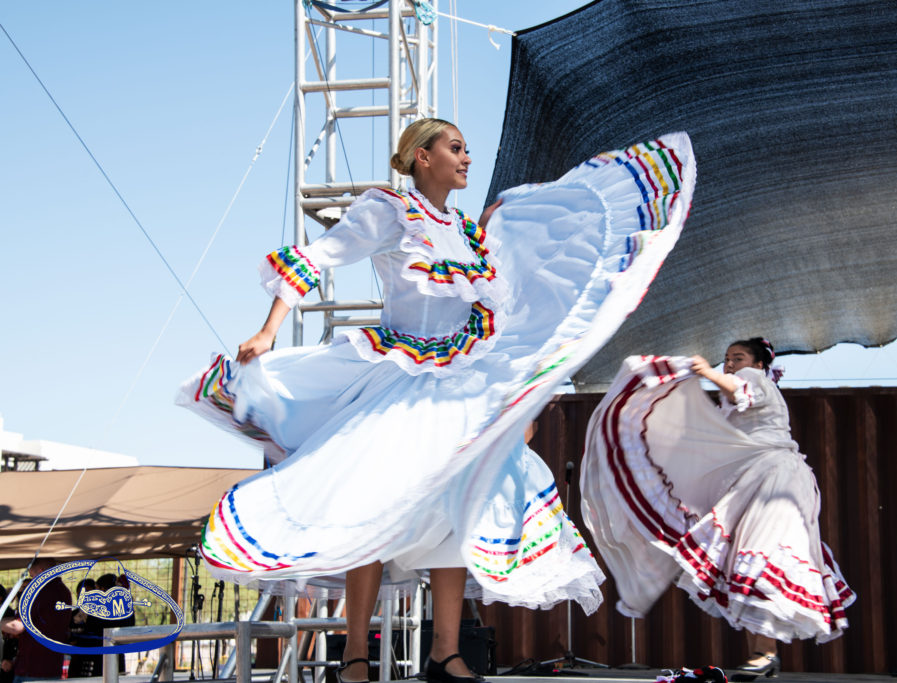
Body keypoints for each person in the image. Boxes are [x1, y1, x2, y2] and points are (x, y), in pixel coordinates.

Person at [179, 119, 696, 682]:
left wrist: (513, 400)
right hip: (399, 378)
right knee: (367, 501)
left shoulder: (472, 236)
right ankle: (354, 656)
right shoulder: (389, 211)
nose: (466, 158)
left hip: (460, 387)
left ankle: (444, 653)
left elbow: (500, 319)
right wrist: (268, 331)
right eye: (455, 148)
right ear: (422, 157)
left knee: (460, 506)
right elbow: (320, 255)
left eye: (467, 149)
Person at [581, 339, 855, 679]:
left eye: (738, 358)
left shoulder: (756, 381)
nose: (729, 364)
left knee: (761, 556)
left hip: (775, 481)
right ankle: (764, 652)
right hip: (761, 482)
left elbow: (737, 387)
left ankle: (766, 652)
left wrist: (706, 370)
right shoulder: (734, 398)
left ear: (758, 365)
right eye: (726, 358)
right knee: (755, 559)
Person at [0, 559, 72, 683]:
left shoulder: (39, 593)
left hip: (33, 668)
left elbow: (17, 627)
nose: (31, 580)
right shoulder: (63, 591)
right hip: (51, 665)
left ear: (41, 572)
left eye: (32, 576)